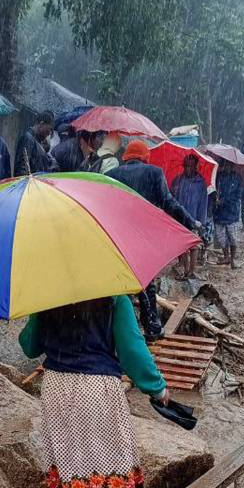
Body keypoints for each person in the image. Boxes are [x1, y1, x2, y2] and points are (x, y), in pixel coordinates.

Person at [18, 296, 167, 488]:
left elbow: (30, 346)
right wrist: (156, 387)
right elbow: (132, 349)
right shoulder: (114, 296)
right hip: (97, 387)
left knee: (69, 462)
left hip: (55, 387)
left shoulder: (48, 293)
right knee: (120, 464)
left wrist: (35, 312)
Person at [106, 140, 201, 341]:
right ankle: (152, 328)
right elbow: (168, 202)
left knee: (120, 286)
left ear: (126, 157)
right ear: (145, 157)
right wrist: (190, 221)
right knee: (145, 282)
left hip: (118, 239)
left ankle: (116, 332)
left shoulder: (111, 176)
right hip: (142, 238)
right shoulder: (154, 173)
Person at [170, 154, 208, 279]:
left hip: (195, 218)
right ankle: (185, 271)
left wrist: (201, 220)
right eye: (186, 166)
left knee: (194, 245)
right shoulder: (178, 181)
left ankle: (192, 271)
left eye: (191, 166)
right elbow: (172, 199)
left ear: (196, 166)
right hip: (180, 218)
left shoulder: (201, 183)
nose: (188, 169)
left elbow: (203, 203)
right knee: (183, 246)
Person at [213, 161, 243, 268]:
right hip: (219, 213)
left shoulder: (237, 178)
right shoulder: (218, 177)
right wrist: (215, 198)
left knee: (233, 237)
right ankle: (226, 256)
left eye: (229, 165)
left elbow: (238, 196)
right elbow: (213, 189)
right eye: (225, 165)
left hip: (232, 213)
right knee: (221, 237)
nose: (226, 167)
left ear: (233, 166)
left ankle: (232, 259)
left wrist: (224, 201)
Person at [15, 110, 56, 176]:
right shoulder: (28, 139)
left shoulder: (36, 141)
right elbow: (22, 167)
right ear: (41, 124)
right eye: (49, 129)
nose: (49, 133)